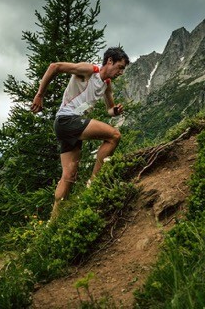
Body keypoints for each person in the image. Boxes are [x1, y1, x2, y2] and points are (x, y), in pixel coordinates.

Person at [30, 47, 130, 219]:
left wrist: (116, 111)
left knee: (69, 176)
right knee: (114, 135)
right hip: (66, 120)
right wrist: (40, 95)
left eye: (123, 69)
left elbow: (109, 110)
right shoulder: (90, 71)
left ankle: (53, 221)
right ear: (110, 61)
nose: (120, 72)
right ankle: (95, 184)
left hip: (68, 126)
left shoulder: (106, 85)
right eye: (119, 67)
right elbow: (55, 66)